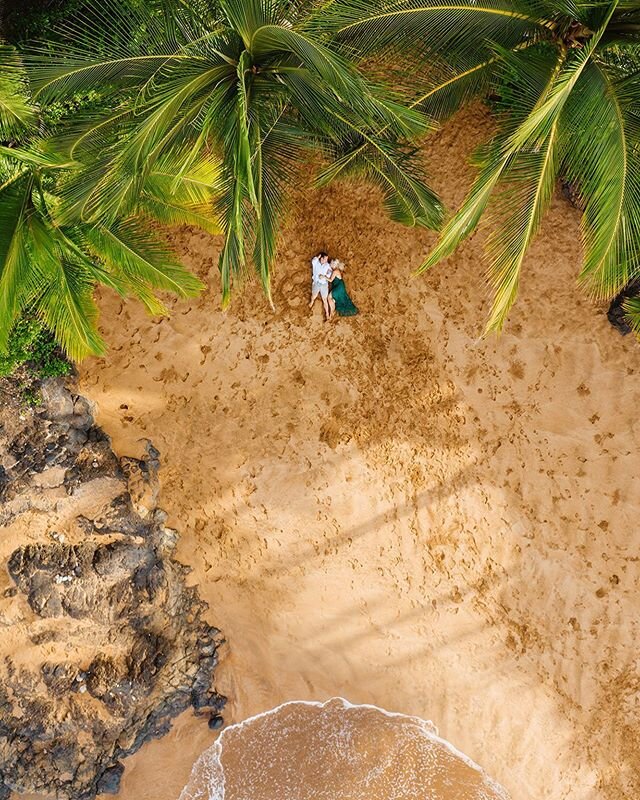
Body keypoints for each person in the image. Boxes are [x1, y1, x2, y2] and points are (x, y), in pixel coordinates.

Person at [309, 252, 332, 320]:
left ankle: (327, 313)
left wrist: (324, 277)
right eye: (325, 259)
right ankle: (312, 301)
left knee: (324, 299)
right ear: (321, 258)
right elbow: (313, 260)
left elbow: (329, 273)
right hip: (316, 283)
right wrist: (318, 257)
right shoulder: (316, 263)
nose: (326, 261)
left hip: (324, 284)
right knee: (314, 295)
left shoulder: (327, 265)